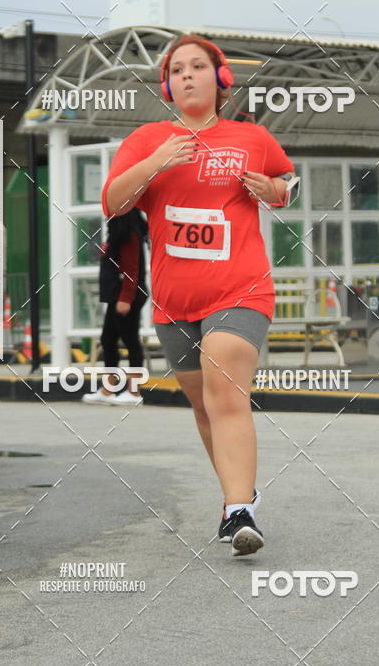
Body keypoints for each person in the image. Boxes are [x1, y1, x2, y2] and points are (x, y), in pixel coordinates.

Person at [101, 35, 296, 556]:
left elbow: (287, 182)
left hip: (241, 288)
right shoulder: (148, 140)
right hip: (171, 301)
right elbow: (114, 202)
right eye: (178, 69)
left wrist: (274, 191)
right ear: (167, 85)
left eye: (198, 67)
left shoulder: (250, 136)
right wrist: (158, 163)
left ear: (219, 78)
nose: (188, 75)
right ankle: (238, 494)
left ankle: (238, 513)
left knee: (226, 389)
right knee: (204, 406)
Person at [82, 208, 149, 406]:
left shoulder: (130, 235)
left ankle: (134, 392)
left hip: (125, 296)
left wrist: (126, 298)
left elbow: (132, 269)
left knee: (131, 342)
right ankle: (108, 389)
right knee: (108, 339)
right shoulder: (119, 234)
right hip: (116, 295)